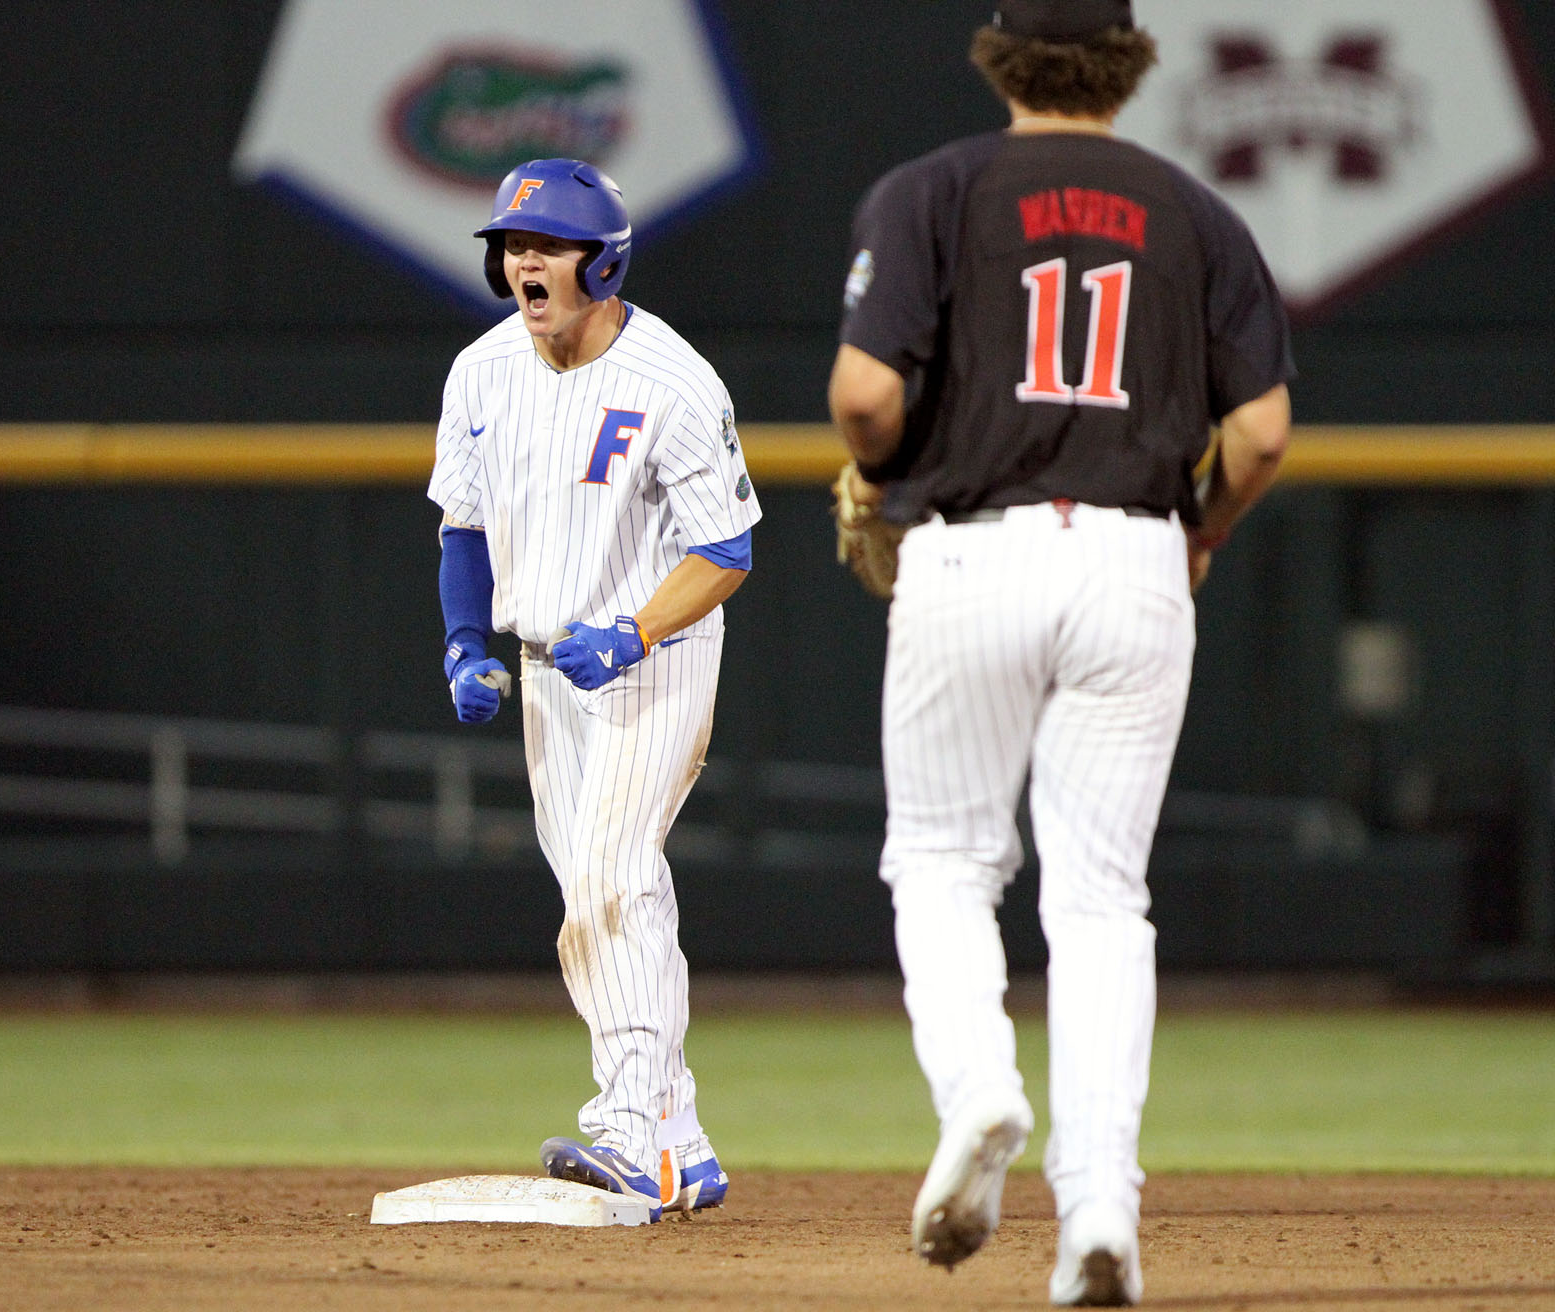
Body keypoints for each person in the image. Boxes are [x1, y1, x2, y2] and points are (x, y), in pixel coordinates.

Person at [827, 1, 1292, 1303]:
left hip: (972, 548)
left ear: (999, 54)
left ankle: (979, 1091)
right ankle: (1099, 1210)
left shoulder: (931, 192)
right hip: (1136, 556)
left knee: (942, 860)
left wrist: (881, 471)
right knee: (1098, 900)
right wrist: (1204, 530)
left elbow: (866, 397)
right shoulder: (1198, 214)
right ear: (1128, 63)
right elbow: (1260, 431)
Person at [427, 158, 760, 1221]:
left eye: (546, 246)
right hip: (545, 667)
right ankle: (680, 1141)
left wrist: (631, 632)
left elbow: (726, 549)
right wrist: (463, 645)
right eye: (510, 246)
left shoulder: (673, 380)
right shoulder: (480, 372)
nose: (523, 262)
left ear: (603, 262)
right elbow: (463, 527)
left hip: (657, 654)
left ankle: (626, 1130)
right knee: (593, 899)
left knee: (614, 874)